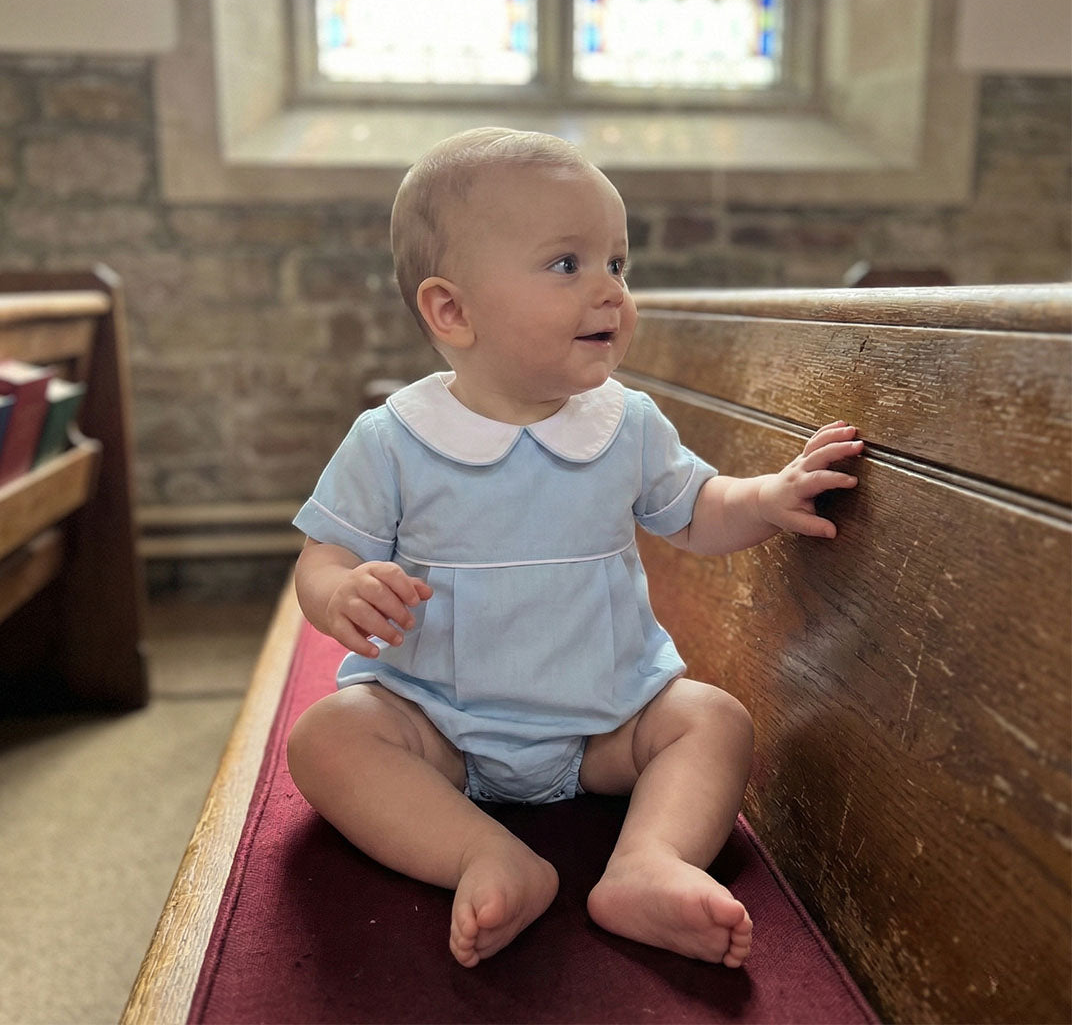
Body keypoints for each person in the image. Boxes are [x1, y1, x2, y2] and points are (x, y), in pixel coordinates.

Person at [287, 127, 863, 970]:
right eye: (568, 265)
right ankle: (482, 853)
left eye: (617, 264)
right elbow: (322, 559)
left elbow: (697, 513)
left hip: (605, 725)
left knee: (714, 721)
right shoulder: (395, 439)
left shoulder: (625, 423)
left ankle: (647, 864)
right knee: (327, 739)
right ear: (453, 311)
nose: (610, 291)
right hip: (436, 724)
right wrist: (341, 592)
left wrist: (768, 498)